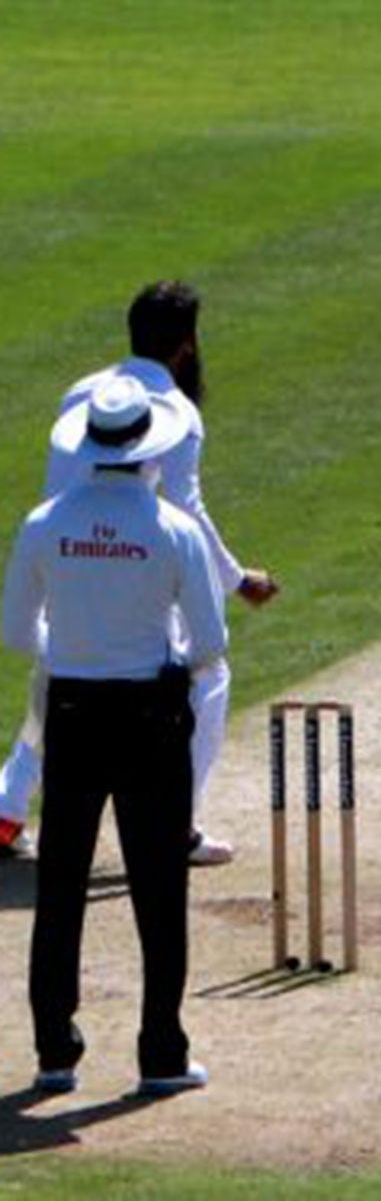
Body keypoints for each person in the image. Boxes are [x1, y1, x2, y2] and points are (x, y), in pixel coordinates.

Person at [0, 281, 277, 869]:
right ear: (188, 345)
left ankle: (5, 809)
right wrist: (237, 580)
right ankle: (177, 825)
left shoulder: (82, 393)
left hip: (61, 557)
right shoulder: (174, 414)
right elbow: (186, 512)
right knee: (210, 675)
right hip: (135, 558)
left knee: (59, 682)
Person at [2, 375, 225, 1097]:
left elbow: (14, 633)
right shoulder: (172, 529)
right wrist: (150, 653)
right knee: (159, 888)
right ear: (148, 451)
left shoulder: (45, 521)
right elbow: (209, 644)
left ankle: (53, 1053)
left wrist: (72, 642)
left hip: (70, 712)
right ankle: (161, 1054)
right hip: (148, 717)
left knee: (61, 885)